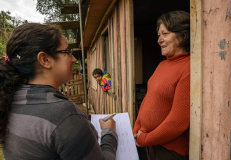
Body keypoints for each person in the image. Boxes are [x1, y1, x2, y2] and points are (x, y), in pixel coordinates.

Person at [0, 23, 117, 160]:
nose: (74, 59)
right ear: (45, 60)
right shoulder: (65, 115)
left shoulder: (9, 100)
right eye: (67, 52)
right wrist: (108, 132)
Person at [133, 10, 190, 160]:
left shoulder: (188, 67)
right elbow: (148, 98)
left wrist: (145, 139)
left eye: (165, 34)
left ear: (182, 36)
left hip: (170, 150)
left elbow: (178, 122)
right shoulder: (162, 65)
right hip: (151, 143)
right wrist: (137, 128)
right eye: (159, 35)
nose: (159, 40)